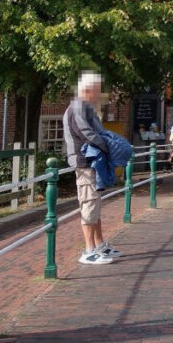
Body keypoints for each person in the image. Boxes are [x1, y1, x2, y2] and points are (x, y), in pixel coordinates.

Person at [62, 71, 121, 266]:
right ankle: (88, 250)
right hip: (85, 161)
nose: (98, 95)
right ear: (87, 90)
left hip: (93, 161)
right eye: (96, 91)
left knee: (94, 203)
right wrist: (107, 146)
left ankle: (99, 244)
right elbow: (87, 133)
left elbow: (99, 131)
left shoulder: (86, 108)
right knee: (88, 203)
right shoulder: (78, 108)